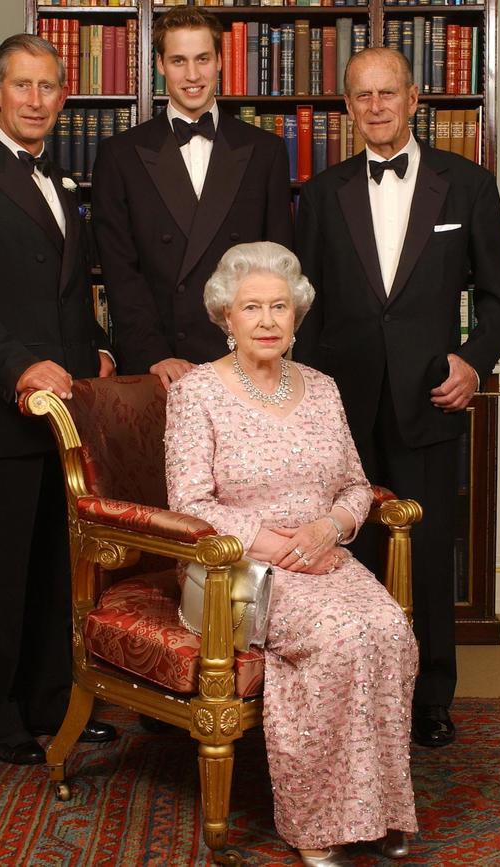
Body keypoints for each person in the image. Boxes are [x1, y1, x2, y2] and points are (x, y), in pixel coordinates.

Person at [165, 242, 418, 866]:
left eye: (280, 306)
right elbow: (190, 501)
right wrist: (280, 545)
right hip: (236, 568)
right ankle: (317, 820)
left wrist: (329, 529)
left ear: (296, 315)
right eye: (252, 307)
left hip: (323, 555)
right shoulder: (196, 394)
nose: (268, 320)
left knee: (388, 628)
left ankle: (379, 806)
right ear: (227, 317)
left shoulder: (324, 389)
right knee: (336, 638)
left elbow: (357, 485)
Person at [295, 47, 500, 748]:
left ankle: (430, 702)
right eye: (362, 96)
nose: (377, 107)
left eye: (389, 93)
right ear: (348, 107)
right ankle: (355, 698)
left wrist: (472, 362)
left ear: (415, 99)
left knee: (426, 556)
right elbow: (305, 309)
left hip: (431, 402)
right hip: (343, 410)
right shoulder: (323, 191)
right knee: (346, 560)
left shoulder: (470, 186)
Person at [0, 34, 117, 765]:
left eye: (49, 88)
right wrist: (24, 368)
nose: (36, 100)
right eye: (23, 86)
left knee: (53, 577)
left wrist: (98, 347)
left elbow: (69, 296)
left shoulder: (63, 187)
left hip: (64, 421)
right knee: (3, 578)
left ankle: (50, 704)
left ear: (63, 97)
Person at [92, 6, 293, 390]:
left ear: (220, 60)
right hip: (160, 365)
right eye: (179, 61)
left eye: (203, 59)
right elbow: (121, 271)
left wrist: (257, 350)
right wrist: (154, 355)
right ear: (160, 65)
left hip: (245, 360)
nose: (193, 75)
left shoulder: (265, 151)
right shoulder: (119, 155)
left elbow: (276, 270)